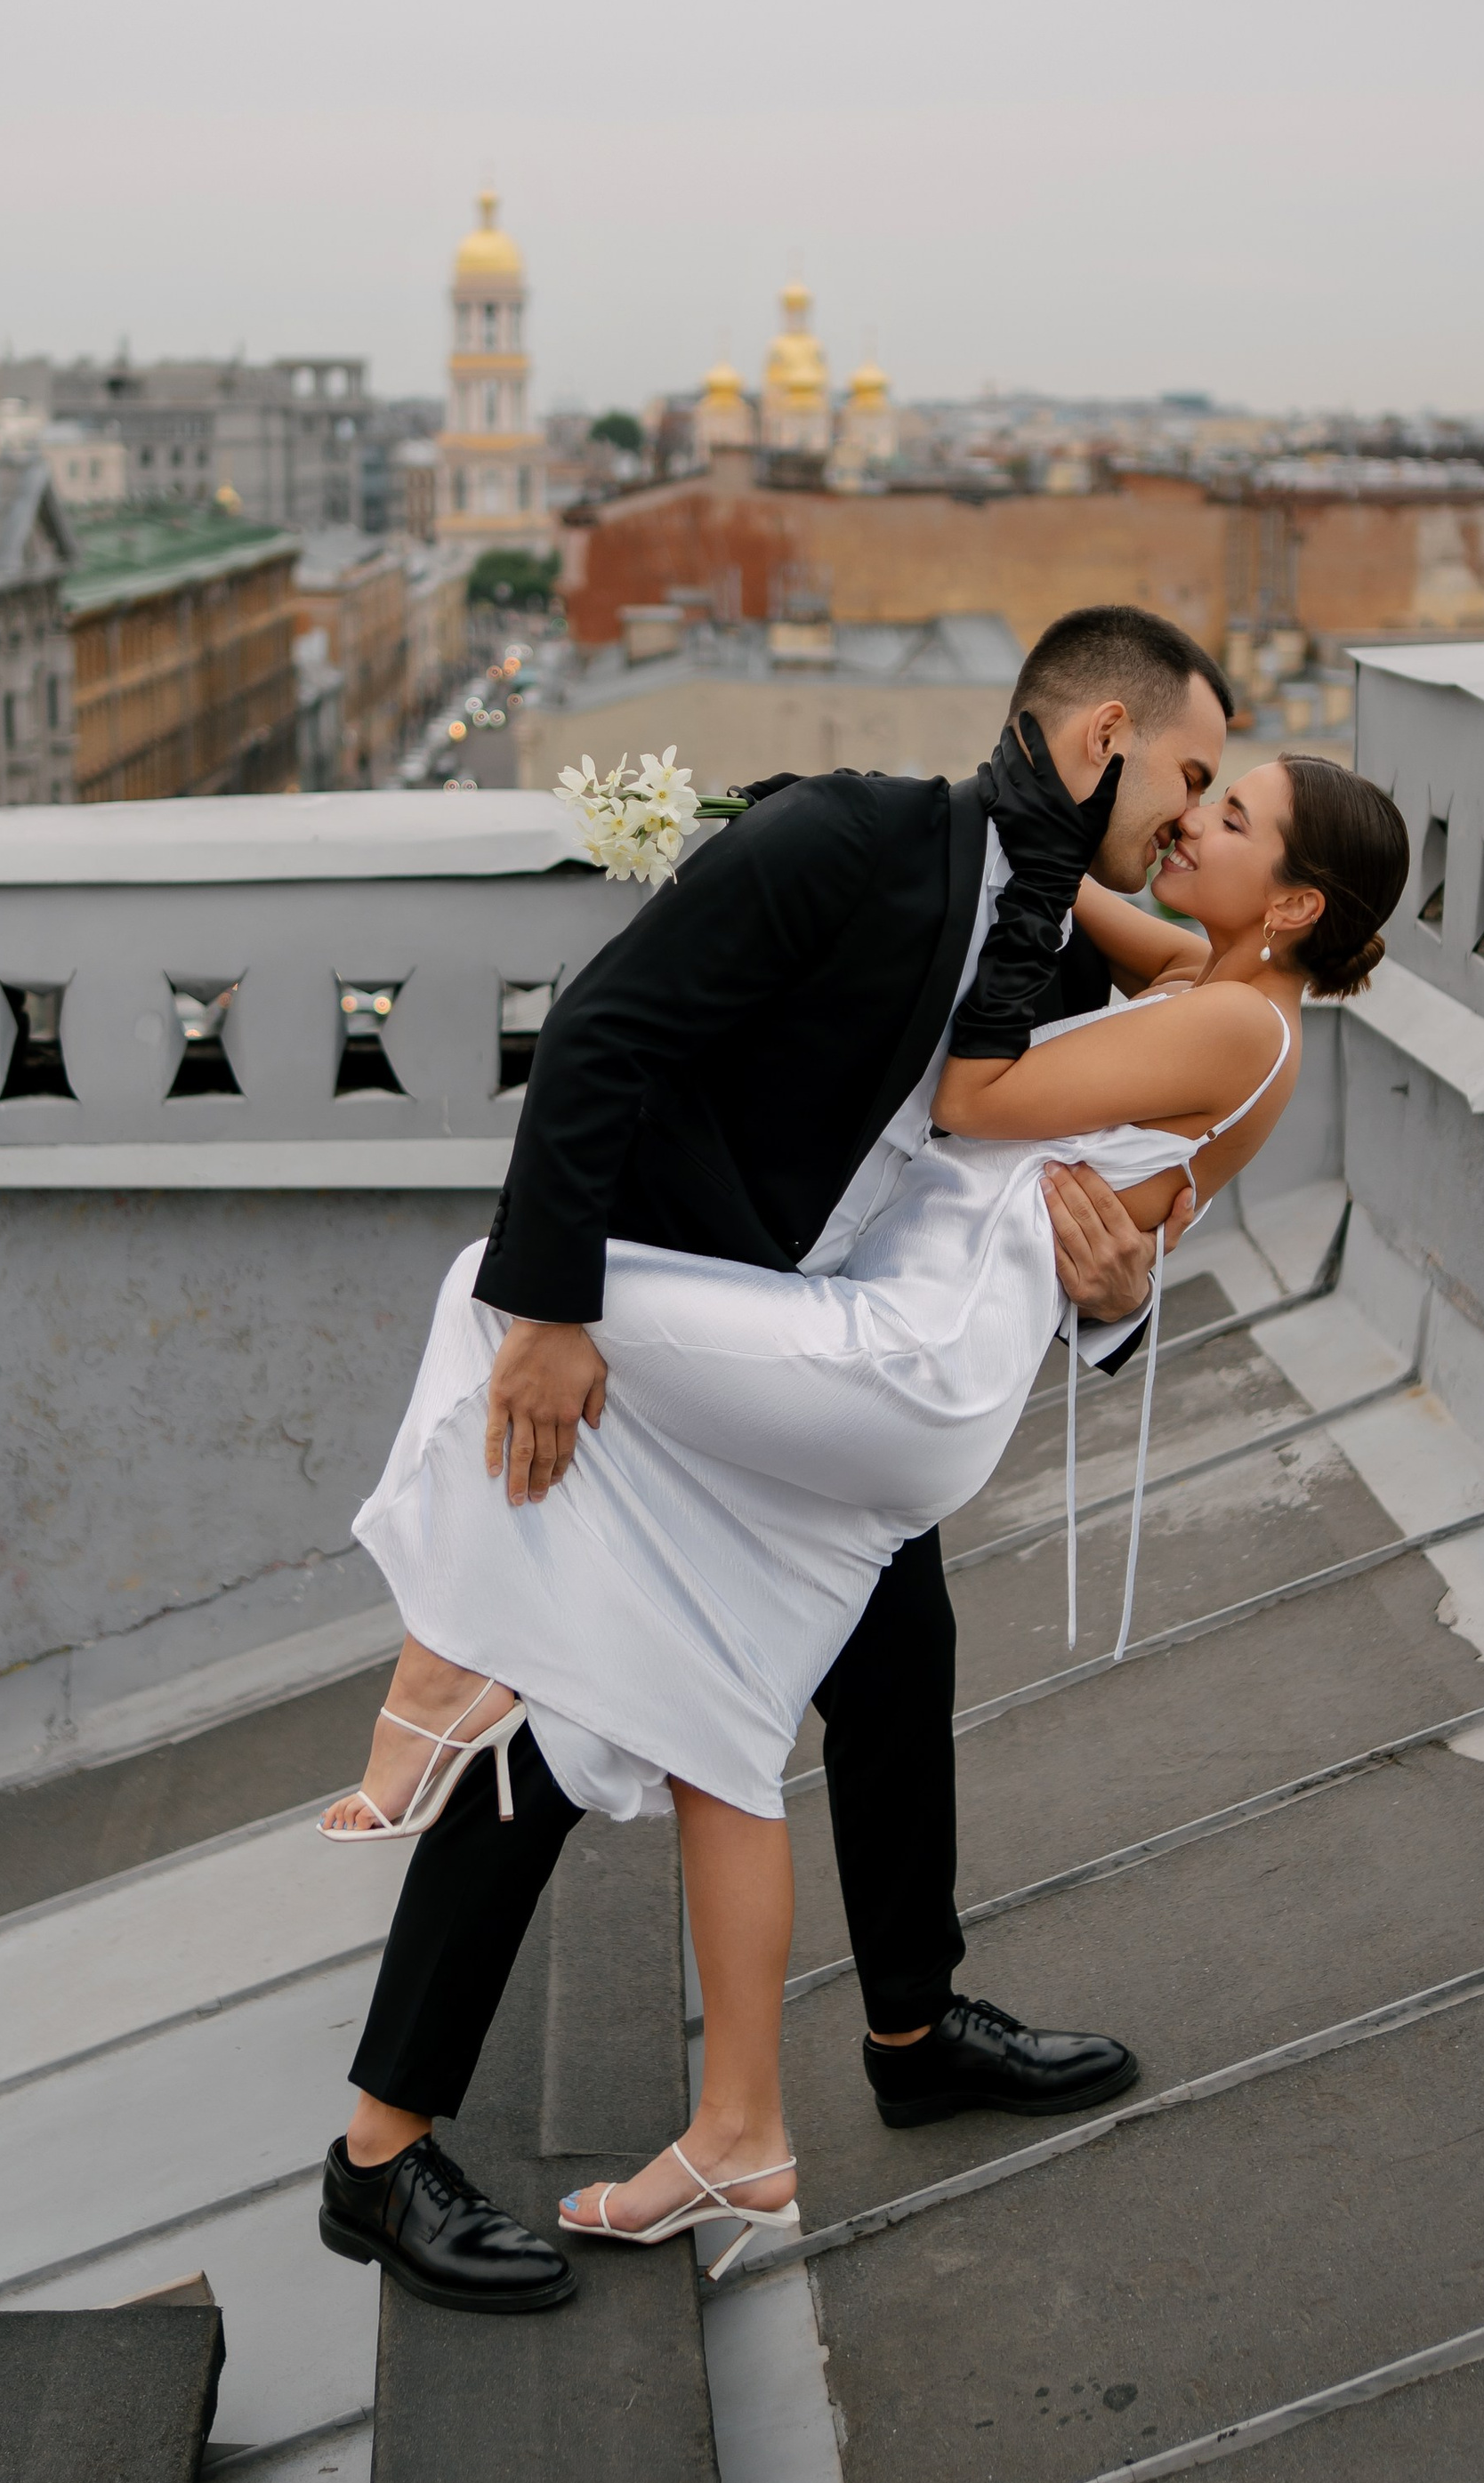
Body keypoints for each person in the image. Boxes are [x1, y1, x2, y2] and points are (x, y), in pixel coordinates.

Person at [320, 730, 1408, 2294]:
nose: (1189, 819)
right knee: (736, 1716)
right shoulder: (1192, 968)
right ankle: (768, 2108)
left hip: (884, 1363)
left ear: (1295, 903)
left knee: (511, 1305)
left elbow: (983, 1097)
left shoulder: (1237, 1019)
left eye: (1226, 811)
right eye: (1192, 781)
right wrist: (874, 808)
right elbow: (1035, 875)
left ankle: (449, 1675)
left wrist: (1124, 1281)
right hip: (857, 1349)